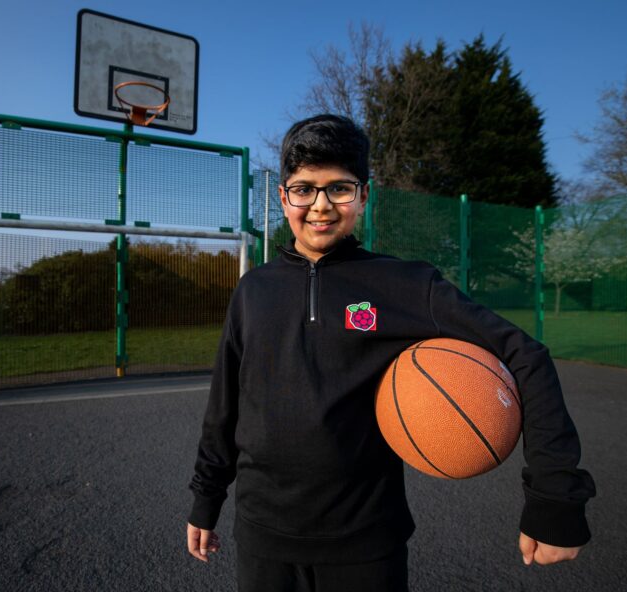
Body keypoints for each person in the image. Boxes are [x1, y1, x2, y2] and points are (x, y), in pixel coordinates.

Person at [186, 114, 595, 591]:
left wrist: (555, 498)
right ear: (283, 197)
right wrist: (206, 498)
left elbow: (526, 355)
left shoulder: (405, 285)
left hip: (365, 544)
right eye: (303, 189)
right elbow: (224, 407)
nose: (320, 206)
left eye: (339, 188)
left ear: (363, 195)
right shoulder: (253, 291)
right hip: (263, 538)